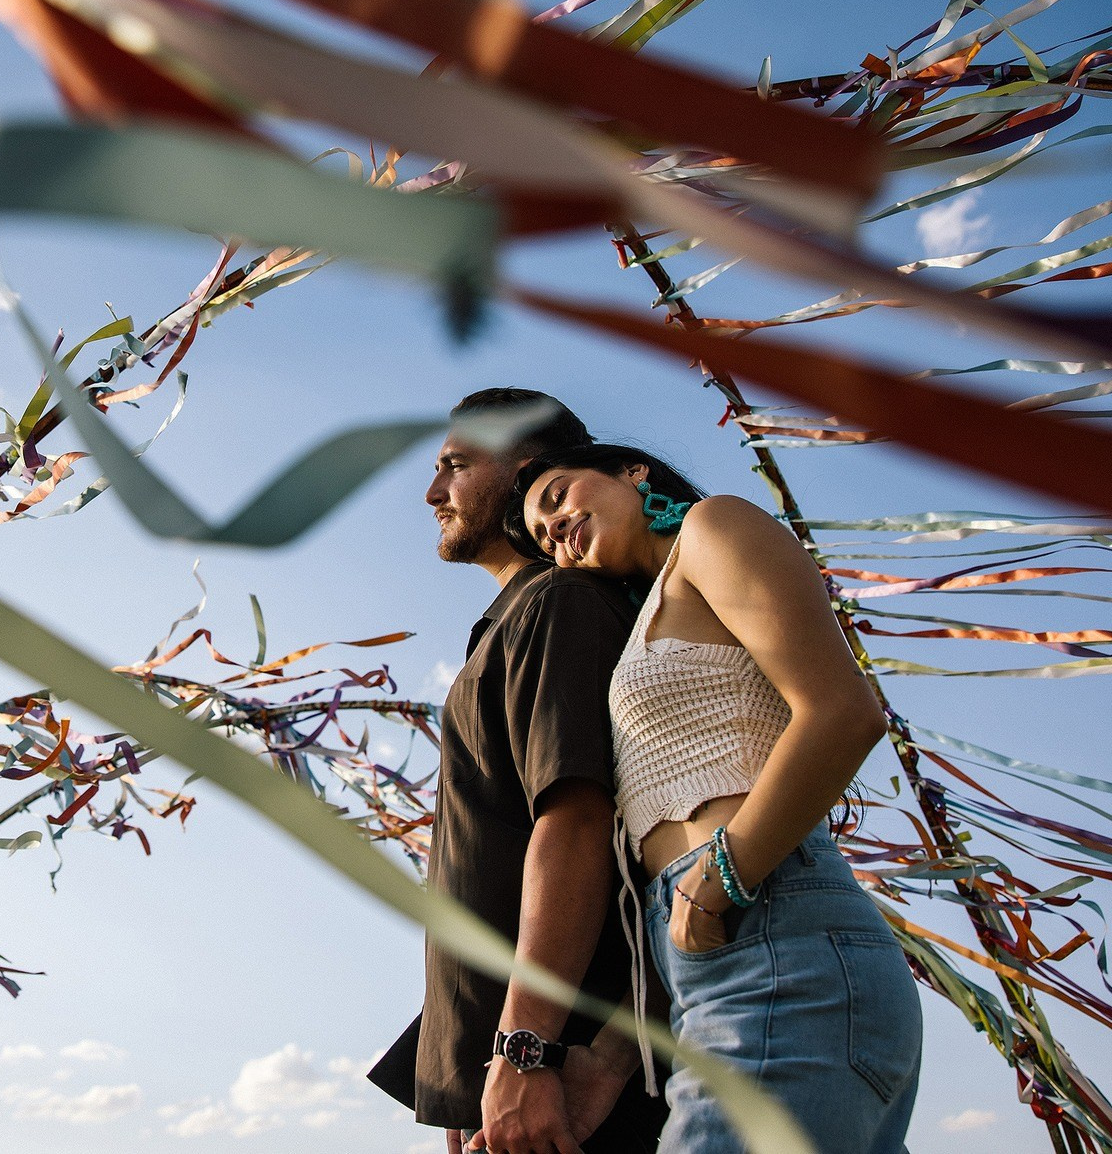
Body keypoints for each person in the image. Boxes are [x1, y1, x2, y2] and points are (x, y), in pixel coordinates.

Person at [515, 443, 923, 1154]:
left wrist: (716, 881)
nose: (558, 532)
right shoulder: (649, 615)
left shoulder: (714, 526)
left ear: (633, 472)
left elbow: (840, 711)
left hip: (779, 940)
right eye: (547, 539)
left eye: (558, 499)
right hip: (731, 966)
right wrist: (614, 1052)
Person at [368, 389, 669, 1154]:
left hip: (568, 1080)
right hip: (506, 1083)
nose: (433, 492)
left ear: (526, 473)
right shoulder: (513, 622)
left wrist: (525, 1052)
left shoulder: (559, 603)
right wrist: (467, 1077)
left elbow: (575, 822)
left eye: (456, 466)